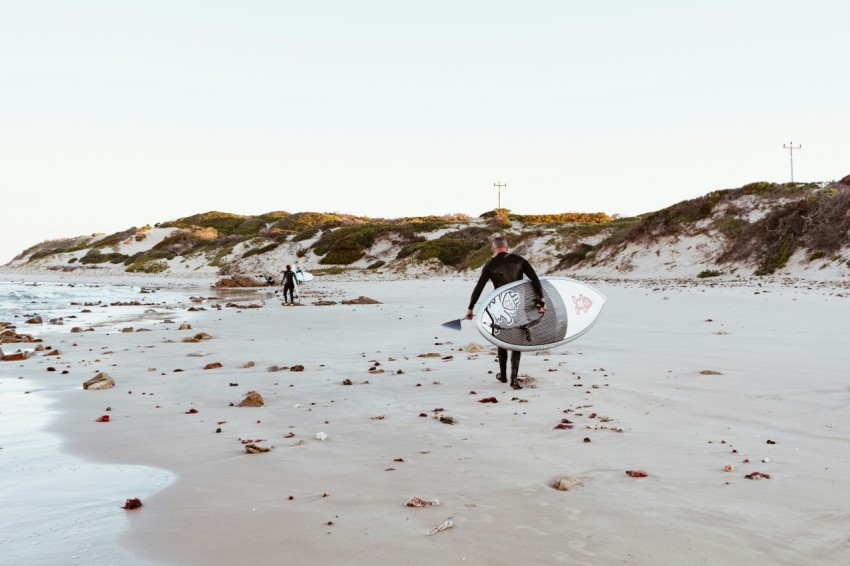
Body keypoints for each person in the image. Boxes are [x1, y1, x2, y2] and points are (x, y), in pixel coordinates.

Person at [466, 236, 547, 389]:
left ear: (493, 249)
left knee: (501, 339)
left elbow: (479, 288)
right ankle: (513, 379)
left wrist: (471, 308)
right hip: (518, 305)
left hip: (500, 307)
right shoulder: (520, 260)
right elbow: (535, 280)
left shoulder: (489, 265)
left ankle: (503, 375)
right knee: (517, 341)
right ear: (507, 247)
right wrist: (541, 300)